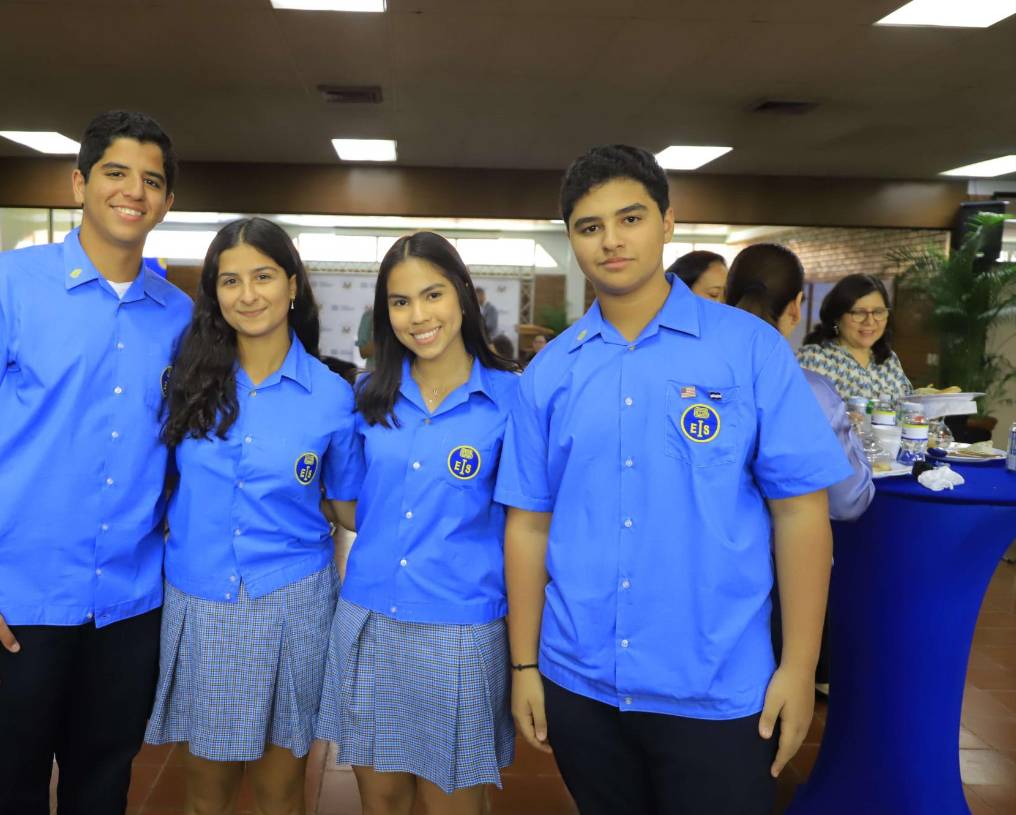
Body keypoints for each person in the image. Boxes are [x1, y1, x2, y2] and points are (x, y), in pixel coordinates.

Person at [495, 145, 852, 815]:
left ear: (667, 222)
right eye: (588, 226)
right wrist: (523, 667)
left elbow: (801, 512)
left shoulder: (747, 348)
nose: (611, 241)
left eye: (629, 218)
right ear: (571, 238)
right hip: (582, 681)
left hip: (717, 686)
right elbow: (529, 522)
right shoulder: (551, 371)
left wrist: (799, 666)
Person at [0, 111, 191, 815]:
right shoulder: (2, 286)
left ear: (166, 202)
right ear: (79, 183)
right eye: (115, 173)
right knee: (3, 795)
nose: (134, 191)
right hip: (14, 607)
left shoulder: (182, 317)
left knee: (102, 792)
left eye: (152, 181)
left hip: (130, 610)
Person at [144, 217, 360, 815]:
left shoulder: (332, 394)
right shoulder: (185, 380)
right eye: (230, 280)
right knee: (206, 793)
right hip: (202, 600)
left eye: (263, 276)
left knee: (279, 791)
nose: (248, 294)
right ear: (214, 293)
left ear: (293, 285)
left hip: (293, 603)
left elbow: (347, 504)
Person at [318, 232, 519, 815]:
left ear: (462, 295)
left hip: (461, 630)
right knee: (381, 802)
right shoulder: (368, 396)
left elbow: (525, 522)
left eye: (431, 295)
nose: (418, 316)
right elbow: (351, 504)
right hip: (370, 619)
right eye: (400, 303)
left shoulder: (510, 399)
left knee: (452, 803)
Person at [726, 244, 874, 522]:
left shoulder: (685, 377)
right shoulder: (812, 392)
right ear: (795, 307)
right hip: (777, 557)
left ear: (724, 299)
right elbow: (848, 500)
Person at [797, 273, 912, 399]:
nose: (870, 321)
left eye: (878, 312)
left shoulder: (890, 361)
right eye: (859, 313)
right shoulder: (813, 359)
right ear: (837, 316)